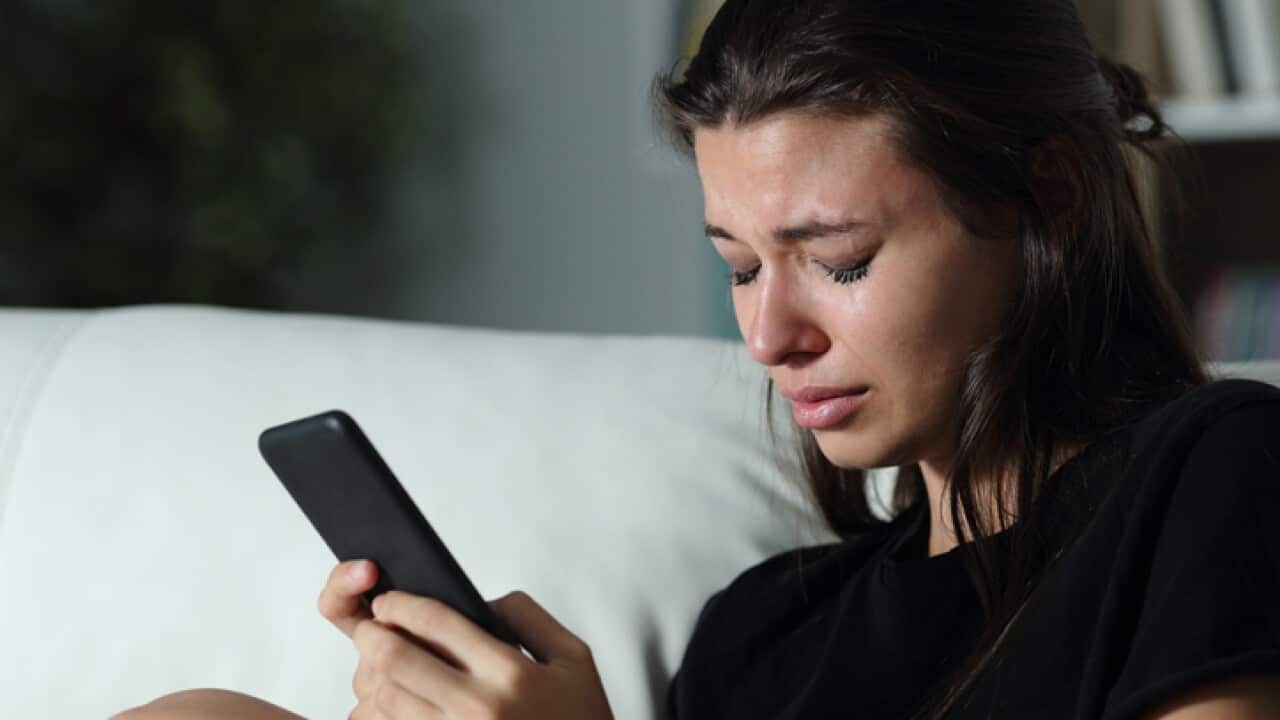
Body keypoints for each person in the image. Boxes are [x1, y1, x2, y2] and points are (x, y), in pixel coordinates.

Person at [113, 1, 1280, 718]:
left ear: (1048, 196)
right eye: (738, 266)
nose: (769, 338)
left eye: (837, 259)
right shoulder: (762, 632)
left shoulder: (1210, 473)